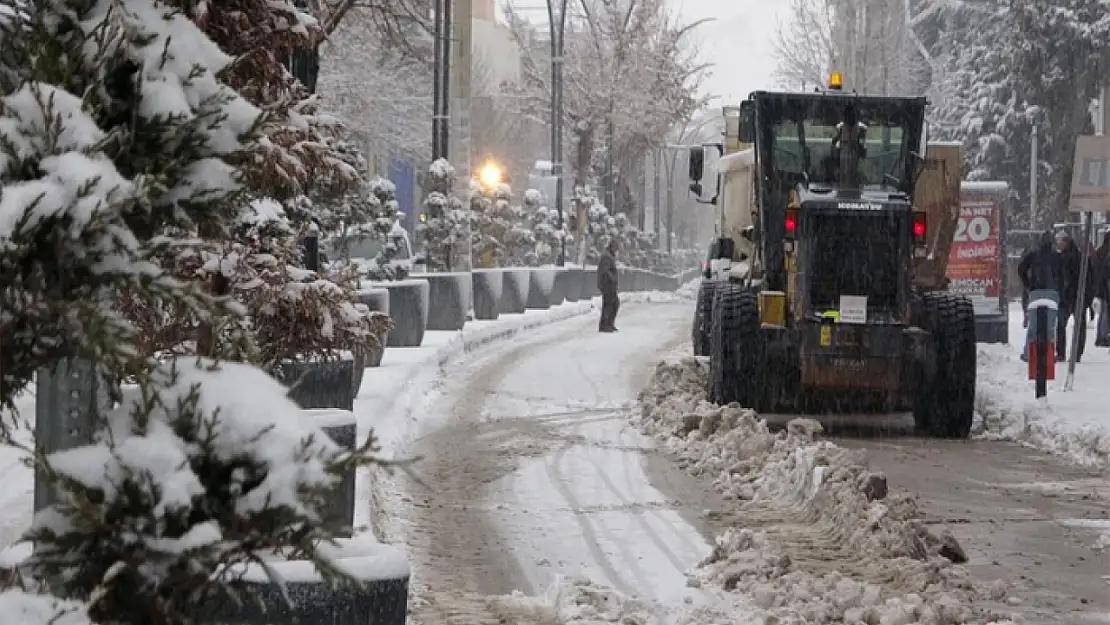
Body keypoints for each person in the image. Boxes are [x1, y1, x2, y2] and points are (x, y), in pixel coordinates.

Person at [1017, 230, 1066, 362]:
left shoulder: (1033, 255)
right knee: (1050, 327)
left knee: (1033, 325)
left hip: (1036, 292)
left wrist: (1028, 285)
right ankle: (1048, 355)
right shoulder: (1057, 256)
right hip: (1052, 293)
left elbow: (1021, 269)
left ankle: (1028, 353)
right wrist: (1059, 291)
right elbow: (1062, 277)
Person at [597, 239, 620, 332]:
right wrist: (612, 278)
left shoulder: (610, 256)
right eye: (615, 247)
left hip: (609, 285)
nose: (616, 249)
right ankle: (604, 325)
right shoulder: (607, 256)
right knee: (609, 305)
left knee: (614, 304)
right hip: (607, 284)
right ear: (611, 247)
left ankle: (609, 324)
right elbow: (605, 271)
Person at [1095, 231, 1110, 347]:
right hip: (1105, 285)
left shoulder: (1100, 251)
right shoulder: (1107, 253)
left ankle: (1101, 335)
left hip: (1100, 284)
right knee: (1105, 312)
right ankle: (1103, 336)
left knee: (1103, 312)